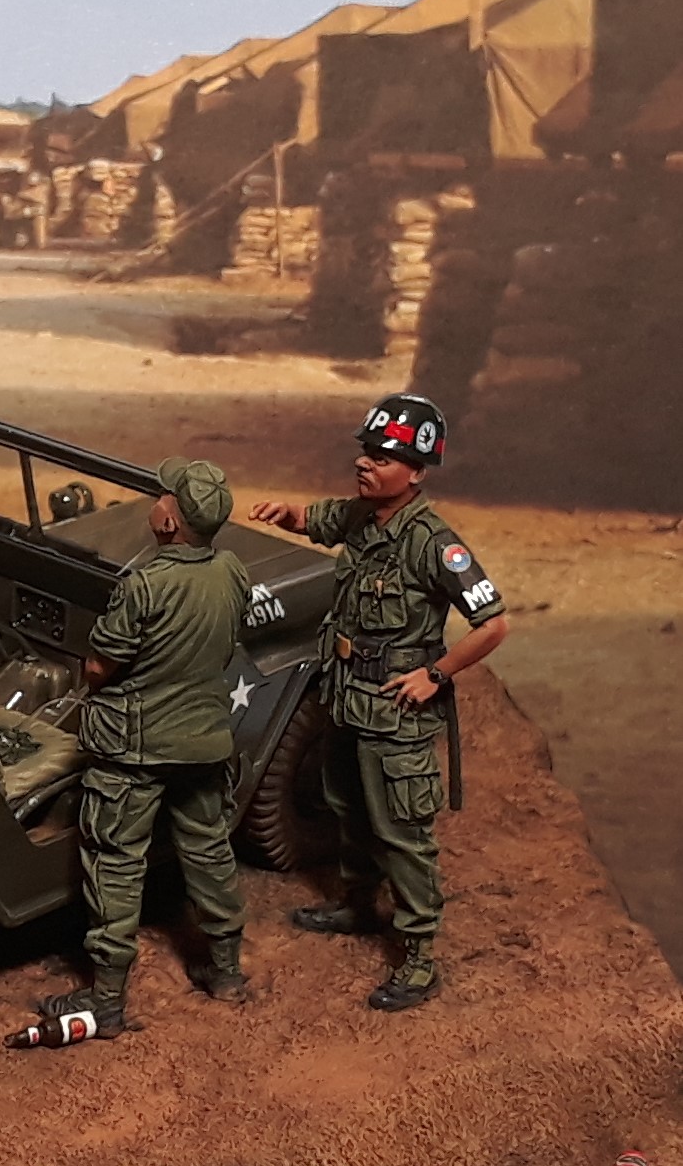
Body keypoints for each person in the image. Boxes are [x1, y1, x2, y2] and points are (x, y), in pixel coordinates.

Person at [250, 393, 509, 1011]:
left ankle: (418, 956)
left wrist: (436, 675)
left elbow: (494, 623)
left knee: (402, 831)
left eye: (384, 456)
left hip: (397, 712)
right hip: (347, 698)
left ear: (416, 472)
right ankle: (358, 903)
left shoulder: (434, 544)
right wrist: (286, 514)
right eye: (366, 451)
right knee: (348, 805)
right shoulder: (361, 518)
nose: (366, 463)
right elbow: (315, 518)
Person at [40, 456, 251, 1035]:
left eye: (162, 497)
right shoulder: (232, 571)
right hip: (204, 741)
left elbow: (99, 666)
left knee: (115, 861)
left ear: (169, 522)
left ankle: (107, 999)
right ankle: (227, 971)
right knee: (208, 851)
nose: (154, 504)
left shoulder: (144, 586)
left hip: (136, 749)